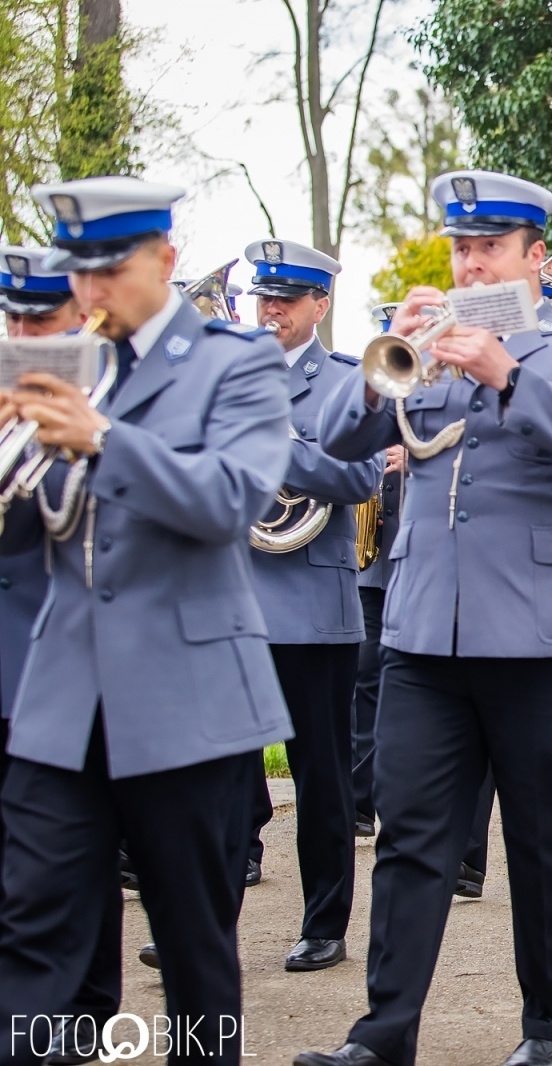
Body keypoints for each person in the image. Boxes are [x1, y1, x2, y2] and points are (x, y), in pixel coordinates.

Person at [295, 169, 552, 1066]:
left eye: (488, 246)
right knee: (410, 841)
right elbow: (336, 443)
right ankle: (381, 1037)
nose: (469, 261)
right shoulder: (430, 346)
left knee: (544, 839)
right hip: (424, 632)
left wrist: (508, 375)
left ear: (535, 257)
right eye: (460, 247)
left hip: (544, 639)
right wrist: (382, 363)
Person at [0, 176, 292, 1066]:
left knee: (195, 954)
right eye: (77, 275)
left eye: (108, 271)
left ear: (163, 260)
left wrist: (105, 440)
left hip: (188, 700)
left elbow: (230, 499)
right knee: (32, 937)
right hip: (62, 701)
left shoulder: (235, 361)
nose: (89, 295)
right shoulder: (64, 359)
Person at [238, 238, 383, 973]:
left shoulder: (346, 380)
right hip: (231, 601)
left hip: (310, 609)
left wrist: (273, 445)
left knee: (319, 774)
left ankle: (324, 922)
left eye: (285, 300)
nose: (270, 311)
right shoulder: (226, 374)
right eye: (262, 298)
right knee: (221, 776)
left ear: (319, 304)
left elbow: (358, 479)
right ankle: (202, 919)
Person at [0, 246, 126, 1065]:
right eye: (14, 319)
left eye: (40, 319)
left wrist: (79, 435)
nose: (23, 334)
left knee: (64, 870)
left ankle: (81, 1020)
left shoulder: (119, 395)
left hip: (66, 660)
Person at [351, 301, 404, 842]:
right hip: (371, 567)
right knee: (365, 683)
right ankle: (360, 802)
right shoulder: (377, 408)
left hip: (419, 570)